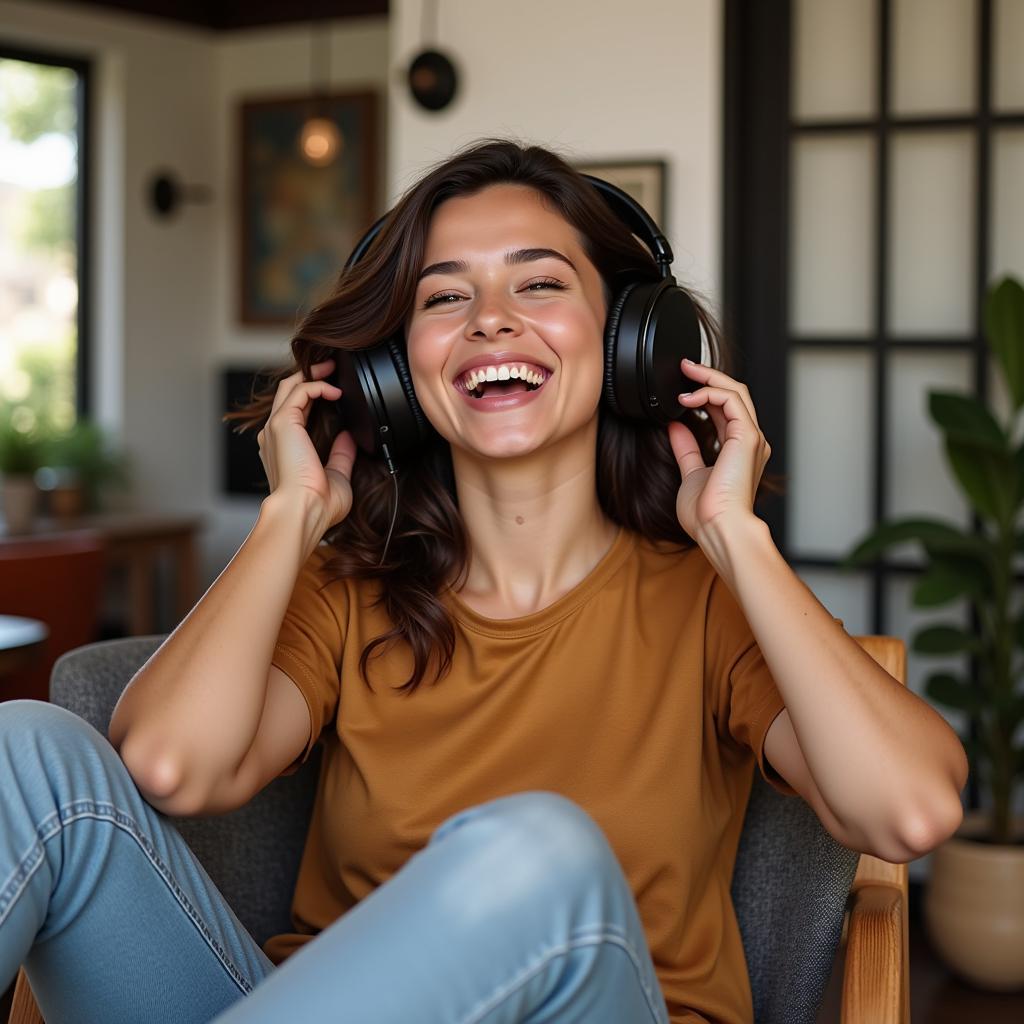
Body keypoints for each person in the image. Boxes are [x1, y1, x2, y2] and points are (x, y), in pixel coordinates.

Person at [0, 138, 967, 1024]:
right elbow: (172, 765)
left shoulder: (712, 603)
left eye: (539, 284)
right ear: (391, 369)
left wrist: (738, 539)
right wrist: (290, 516)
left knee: (536, 845)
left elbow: (909, 810)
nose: (491, 320)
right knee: (26, 750)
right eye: (443, 297)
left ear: (631, 339)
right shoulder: (347, 591)